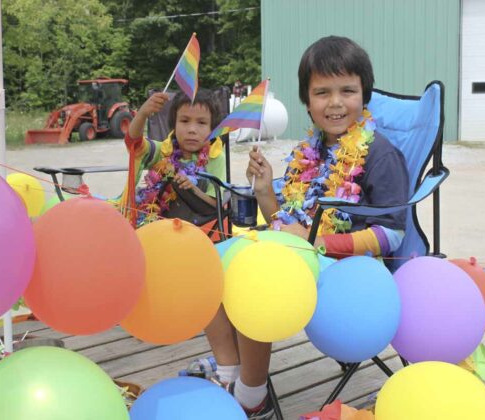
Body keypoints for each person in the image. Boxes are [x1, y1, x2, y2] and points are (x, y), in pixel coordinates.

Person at [199, 36, 410, 419]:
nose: (335, 102)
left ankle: (252, 397)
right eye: (322, 92)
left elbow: (391, 234)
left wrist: (319, 243)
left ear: (365, 94)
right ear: (307, 102)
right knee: (210, 261)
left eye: (347, 90)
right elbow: (290, 220)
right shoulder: (310, 152)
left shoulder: (381, 154)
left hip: (352, 272)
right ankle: (232, 374)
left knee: (256, 276)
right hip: (302, 255)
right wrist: (265, 193)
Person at [119, 88, 226, 230]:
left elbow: (215, 204)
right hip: (155, 229)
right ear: (174, 125)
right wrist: (142, 114)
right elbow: (133, 143)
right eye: (184, 121)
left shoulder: (215, 157)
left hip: (195, 233)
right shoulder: (163, 151)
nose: (192, 129)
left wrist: (192, 190)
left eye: (201, 123)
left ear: (213, 129)